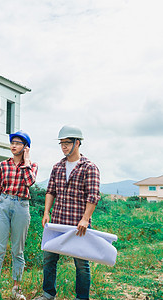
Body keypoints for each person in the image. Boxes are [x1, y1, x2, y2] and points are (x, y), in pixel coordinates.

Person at [34, 125, 100, 300]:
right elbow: (50, 191)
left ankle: (82, 297)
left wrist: (86, 218)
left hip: (79, 224)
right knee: (49, 258)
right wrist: (46, 212)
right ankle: (48, 294)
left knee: (81, 263)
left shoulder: (89, 167)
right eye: (61, 143)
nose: (63, 146)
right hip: (56, 221)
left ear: (77, 143)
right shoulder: (57, 167)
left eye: (67, 143)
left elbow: (93, 196)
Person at [0, 130, 38, 300]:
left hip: (21, 206)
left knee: (18, 250)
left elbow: (30, 182)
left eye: (18, 143)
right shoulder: (2, 165)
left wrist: (26, 161)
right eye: (12, 142)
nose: (14, 146)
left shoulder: (32, 165)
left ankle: (16, 288)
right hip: (3, 204)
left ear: (25, 147)